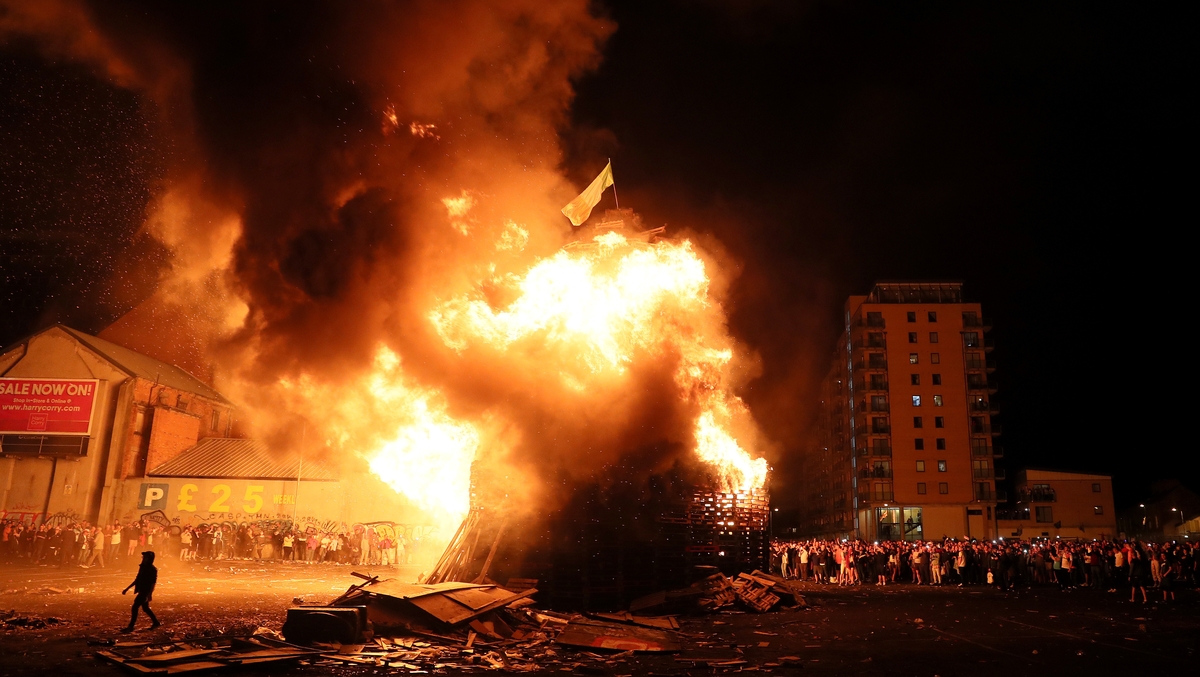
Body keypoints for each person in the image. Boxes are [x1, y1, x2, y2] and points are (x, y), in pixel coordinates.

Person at [122, 551, 160, 632]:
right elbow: (137, 579)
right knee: (145, 608)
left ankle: (131, 626)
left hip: (145, 591)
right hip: (142, 590)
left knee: (135, 607)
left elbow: (153, 583)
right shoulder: (143, 567)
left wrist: (149, 594)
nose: (143, 559)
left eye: (145, 557)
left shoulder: (152, 570)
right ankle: (156, 622)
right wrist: (127, 588)